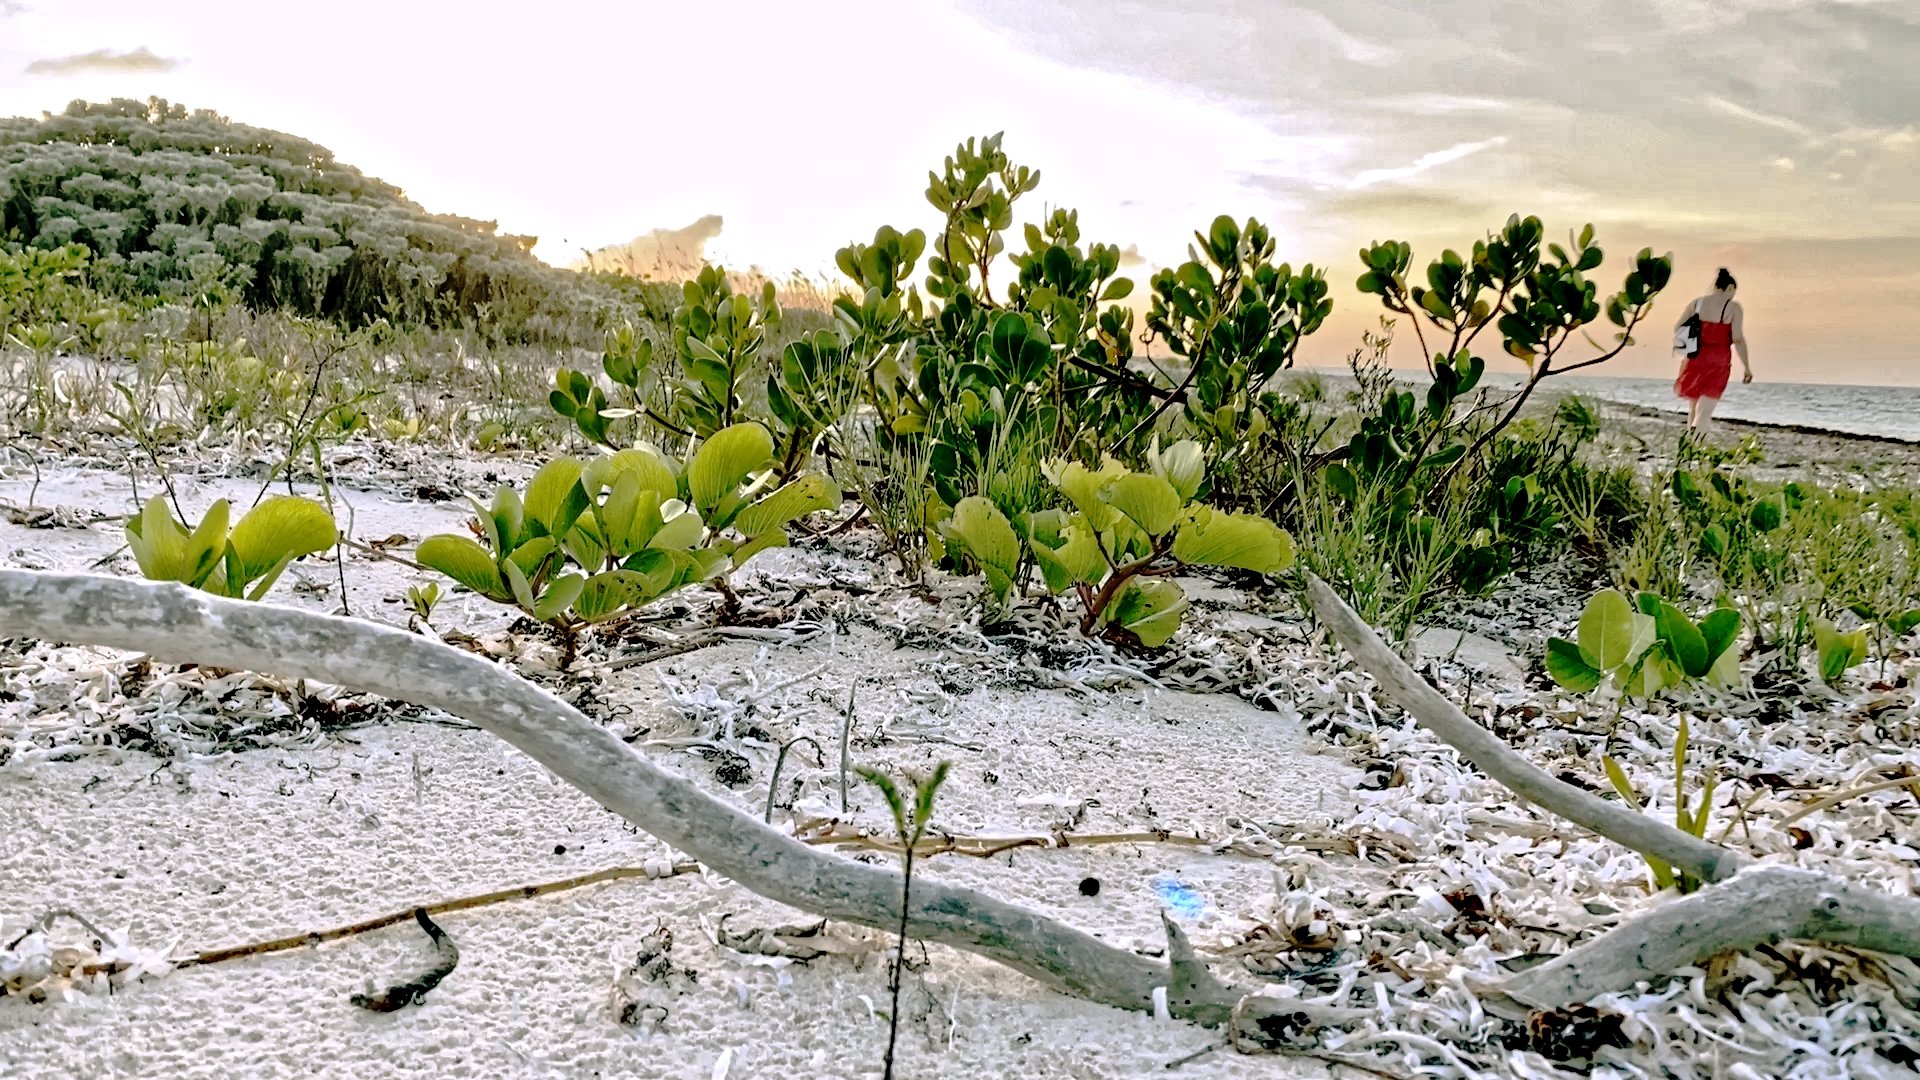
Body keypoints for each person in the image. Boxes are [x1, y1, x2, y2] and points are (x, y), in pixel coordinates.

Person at [1672, 268, 1752, 432]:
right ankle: (1698, 444)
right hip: (1719, 359)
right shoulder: (1733, 307)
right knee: (1704, 411)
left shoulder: (1697, 303)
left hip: (1695, 356)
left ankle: (1689, 447)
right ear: (1730, 288)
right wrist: (1746, 366)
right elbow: (1737, 338)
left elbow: (1678, 328)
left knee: (1693, 406)